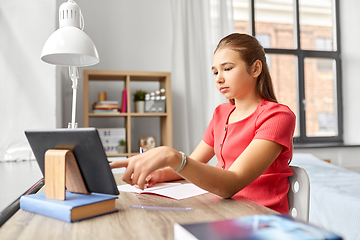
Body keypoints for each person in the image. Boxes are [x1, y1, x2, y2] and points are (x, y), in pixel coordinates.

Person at [110, 33, 296, 214]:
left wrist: (171, 155)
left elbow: (231, 184)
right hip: (222, 210)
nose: (219, 78)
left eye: (228, 68)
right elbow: (192, 164)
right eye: (215, 72)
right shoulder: (220, 113)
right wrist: (157, 175)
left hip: (261, 219)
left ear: (255, 68)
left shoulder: (278, 117)